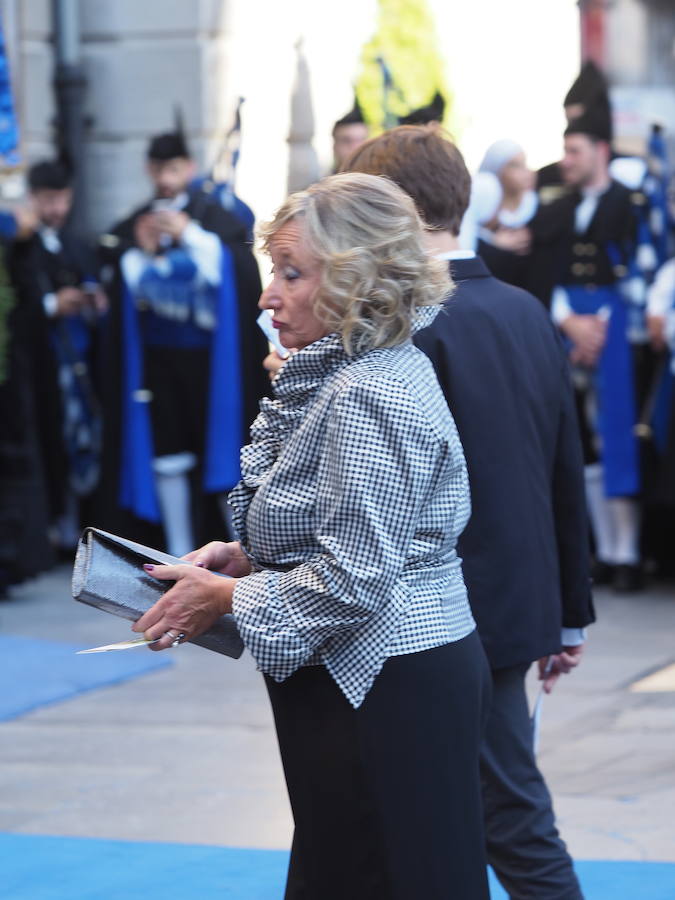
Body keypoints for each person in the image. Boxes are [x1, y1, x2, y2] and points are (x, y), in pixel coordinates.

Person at [131, 172, 492, 900]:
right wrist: (245, 559)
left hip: (382, 682)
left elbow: (355, 578)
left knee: (382, 875)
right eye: (273, 271)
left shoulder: (366, 390)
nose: (267, 296)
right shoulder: (361, 371)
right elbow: (353, 527)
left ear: (356, 278)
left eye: (291, 273)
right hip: (382, 678)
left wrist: (229, 597)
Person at [344, 125, 595, 900]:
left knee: (501, 821)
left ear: (388, 209)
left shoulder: (403, 326)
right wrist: (567, 616)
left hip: (435, 617)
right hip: (512, 603)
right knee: (442, 821)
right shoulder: (523, 310)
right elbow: (562, 473)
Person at [99, 126, 268, 556]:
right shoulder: (134, 225)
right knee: (166, 454)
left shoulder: (217, 222)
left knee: (228, 455)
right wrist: (143, 251)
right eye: (157, 168)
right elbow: (124, 288)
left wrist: (188, 235)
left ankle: (240, 553)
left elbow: (236, 274)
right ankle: (175, 550)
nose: (165, 178)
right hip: (157, 365)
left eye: (173, 167)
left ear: (189, 168)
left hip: (213, 366)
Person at [546, 106, 653, 592]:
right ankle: (604, 552)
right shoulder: (558, 208)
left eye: (574, 151)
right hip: (568, 328)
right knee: (583, 443)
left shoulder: (632, 203)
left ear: (600, 151)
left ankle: (627, 553)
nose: (566, 160)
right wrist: (570, 321)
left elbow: (640, 266)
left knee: (616, 439)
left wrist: (602, 328)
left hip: (615, 332)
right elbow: (547, 272)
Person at [8, 159, 106, 555]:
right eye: (48, 199)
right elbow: (17, 305)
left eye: (62, 198)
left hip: (78, 365)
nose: (56, 209)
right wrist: (51, 304)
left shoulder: (76, 244)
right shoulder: (20, 248)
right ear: (33, 198)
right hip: (39, 370)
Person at [476, 139, 537, 289]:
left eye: (525, 164)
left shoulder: (534, 206)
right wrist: (493, 243)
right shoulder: (483, 211)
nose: (525, 172)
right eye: (515, 165)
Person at [331, 98, 369, 172]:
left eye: (361, 140)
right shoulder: (321, 182)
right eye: (346, 140)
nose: (355, 147)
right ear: (334, 145)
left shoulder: (384, 181)